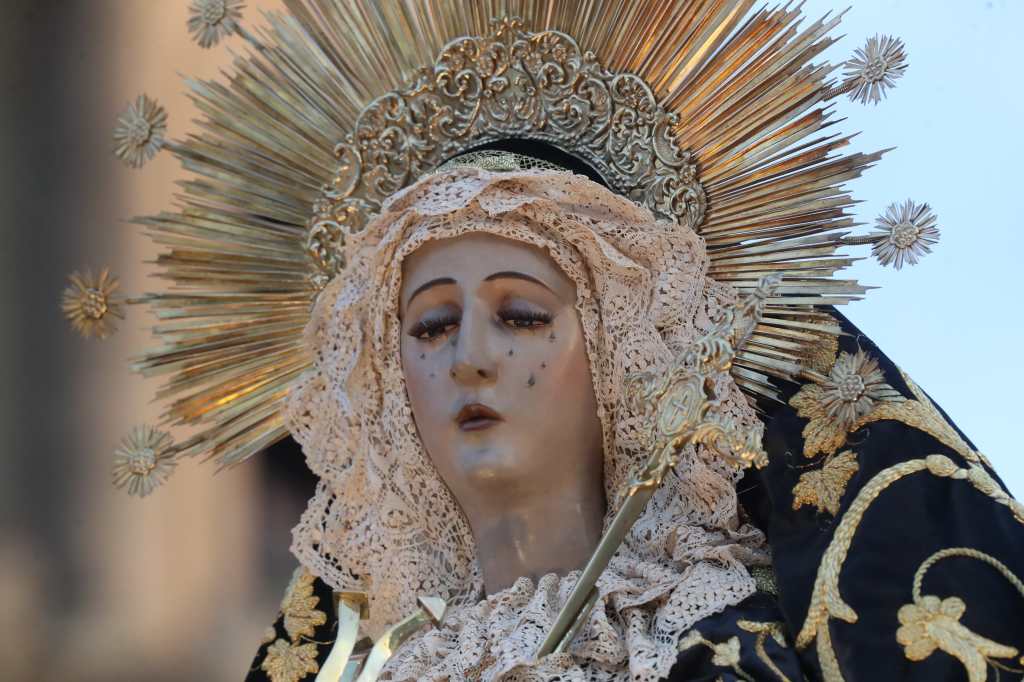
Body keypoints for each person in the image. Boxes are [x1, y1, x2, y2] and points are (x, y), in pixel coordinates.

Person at [68, 1, 1024, 680]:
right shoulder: (367, 669)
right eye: (430, 325)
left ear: (621, 354)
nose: (468, 358)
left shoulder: (710, 645)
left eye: (522, 315)